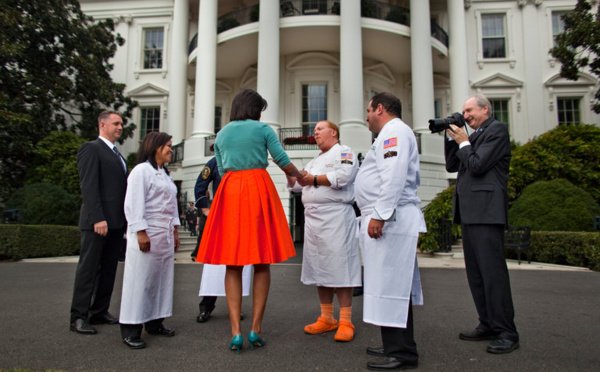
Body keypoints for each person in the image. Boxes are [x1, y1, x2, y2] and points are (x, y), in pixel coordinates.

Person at [196, 89, 306, 353]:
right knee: (261, 261)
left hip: (230, 189)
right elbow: (282, 160)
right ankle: (255, 328)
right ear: (254, 109)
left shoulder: (221, 134)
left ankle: (236, 332)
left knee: (232, 264)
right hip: (258, 186)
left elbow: (221, 170)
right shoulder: (263, 129)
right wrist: (301, 176)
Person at [354, 92, 426, 371]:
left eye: (369, 111)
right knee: (386, 285)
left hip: (390, 219)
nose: (367, 116)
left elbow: (393, 175)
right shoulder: (390, 133)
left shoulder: (394, 132)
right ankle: (393, 345)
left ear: (380, 108)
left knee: (393, 285)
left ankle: (403, 353)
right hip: (386, 217)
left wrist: (380, 215)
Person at [445, 94, 519, 354]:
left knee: (492, 275)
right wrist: (451, 137)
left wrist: (464, 142)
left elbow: (476, 166)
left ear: (485, 109)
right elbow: (452, 164)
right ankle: (487, 323)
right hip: (470, 213)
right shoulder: (473, 136)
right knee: (476, 276)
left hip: (487, 213)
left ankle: (507, 332)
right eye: (463, 112)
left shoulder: (496, 130)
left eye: (469, 111)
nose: (465, 116)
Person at [286, 120, 361, 342]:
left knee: (341, 267)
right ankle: (327, 317)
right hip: (314, 220)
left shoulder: (344, 152)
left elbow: (344, 176)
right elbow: (298, 185)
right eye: (315, 130)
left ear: (333, 132)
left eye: (320, 129)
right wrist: (288, 169)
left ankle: (346, 320)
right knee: (320, 268)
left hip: (336, 218)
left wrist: (314, 180)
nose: (315, 132)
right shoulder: (314, 160)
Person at [118, 131, 181, 349]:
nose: (171, 149)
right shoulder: (141, 171)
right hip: (147, 232)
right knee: (140, 281)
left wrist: (174, 230)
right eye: (168, 146)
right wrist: (140, 231)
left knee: (160, 280)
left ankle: (155, 322)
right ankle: (130, 329)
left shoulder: (165, 174)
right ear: (156, 147)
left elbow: (172, 205)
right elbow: (134, 203)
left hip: (163, 235)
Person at [70, 110, 128, 335]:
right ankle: (78, 317)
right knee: (88, 271)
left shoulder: (118, 155)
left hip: (115, 224)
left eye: (121, 123)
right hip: (98, 222)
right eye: (116, 123)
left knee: (108, 270)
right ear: (102, 124)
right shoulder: (91, 148)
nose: (120, 127)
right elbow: (89, 185)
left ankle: (99, 311)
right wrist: (98, 218)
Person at [192, 156, 251, 323]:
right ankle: (206, 307)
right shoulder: (216, 161)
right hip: (220, 217)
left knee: (239, 265)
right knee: (213, 266)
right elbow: (200, 185)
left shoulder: (247, 158)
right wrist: (205, 208)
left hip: (241, 217)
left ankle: (235, 308)